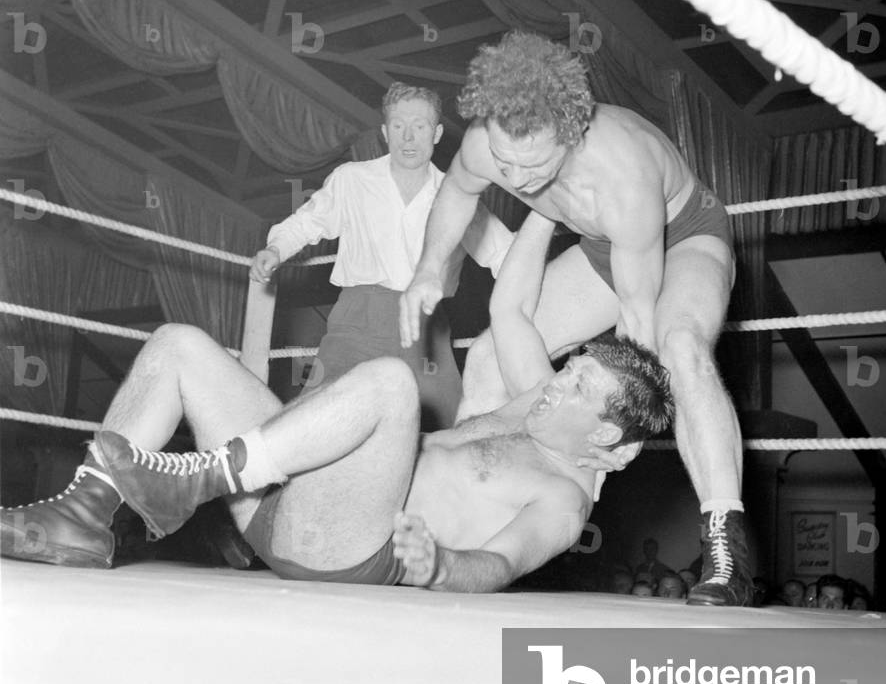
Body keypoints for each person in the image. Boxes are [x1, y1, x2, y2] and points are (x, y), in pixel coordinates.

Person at [1, 212, 673, 593]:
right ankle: (82, 517)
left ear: (608, 438)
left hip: (347, 548)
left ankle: (201, 476)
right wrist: (549, 203)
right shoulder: (535, 403)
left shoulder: (563, 499)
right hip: (287, 496)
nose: (558, 380)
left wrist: (440, 564)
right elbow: (512, 306)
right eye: (571, 367)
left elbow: (501, 565)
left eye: (580, 387)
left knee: (393, 384)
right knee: (179, 345)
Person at [400, 31, 749, 606]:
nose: (518, 180)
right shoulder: (488, 143)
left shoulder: (621, 174)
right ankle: (471, 527)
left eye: (534, 164)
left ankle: (725, 545)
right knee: (488, 353)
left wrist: (622, 434)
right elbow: (459, 192)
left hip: (682, 234)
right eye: (506, 164)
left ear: (570, 133)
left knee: (681, 345)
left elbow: (637, 324)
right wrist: (429, 268)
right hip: (600, 243)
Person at [250, 82, 512, 430]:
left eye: (419, 126)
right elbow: (307, 222)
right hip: (358, 320)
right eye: (399, 126)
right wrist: (275, 249)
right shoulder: (352, 179)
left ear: (436, 134)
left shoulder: (457, 195)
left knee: (447, 432)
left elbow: (502, 252)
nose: (408, 137)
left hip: (427, 329)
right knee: (320, 418)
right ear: (386, 133)